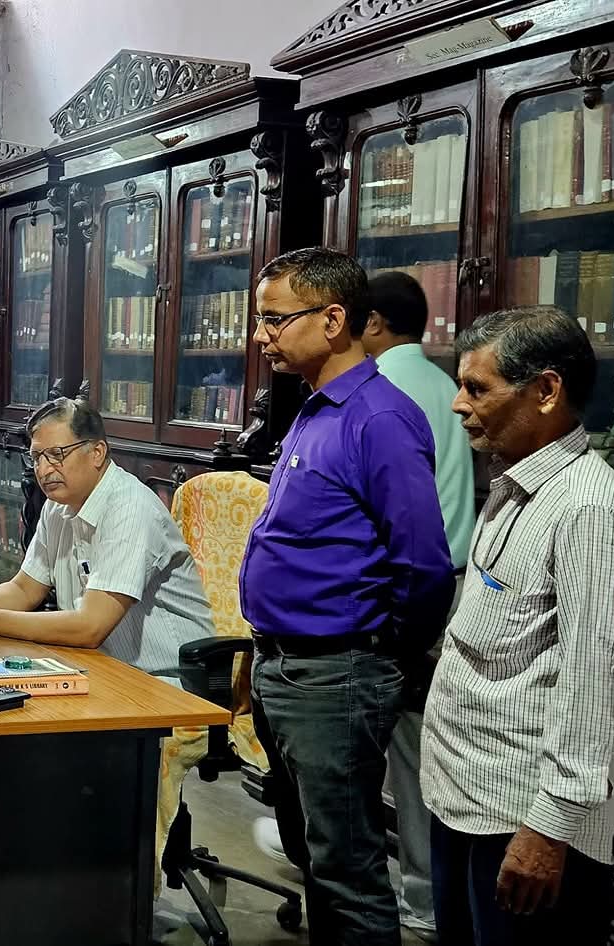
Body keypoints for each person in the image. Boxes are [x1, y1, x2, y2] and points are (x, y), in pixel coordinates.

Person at [240, 247, 456, 946]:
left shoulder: (379, 417)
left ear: (333, 320)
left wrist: (385, 654)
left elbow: (422, 563)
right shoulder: (317, 407)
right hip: (285, 665)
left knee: (347, 870)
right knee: (316, 855)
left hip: (336, 671)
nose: (261, 335)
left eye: (275, 319)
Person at [423, 306, 614, 945]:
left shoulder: (591, 510)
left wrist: (549, 828)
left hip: (522, 820)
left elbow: (595, 685)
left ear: (546, 391)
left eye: (477, 388)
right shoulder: (513, 486)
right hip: (466, 796)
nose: (459, 405)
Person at [0, 396, 215, 673]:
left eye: (56, 455)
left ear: (97, 453)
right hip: (97, 667)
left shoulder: (130, 507)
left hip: (165, 683)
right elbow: (24, 589)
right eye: (36, 457)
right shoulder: (58, 506)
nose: (43, 470)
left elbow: (89, 627)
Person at [361, 269, 479, 941]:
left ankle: (418, 894)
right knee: (429, 747)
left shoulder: (379, 392)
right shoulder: (443, 384)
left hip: (401, 590)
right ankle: (431, 891)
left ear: (374, 324)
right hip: (455, 581)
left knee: (395, 747)